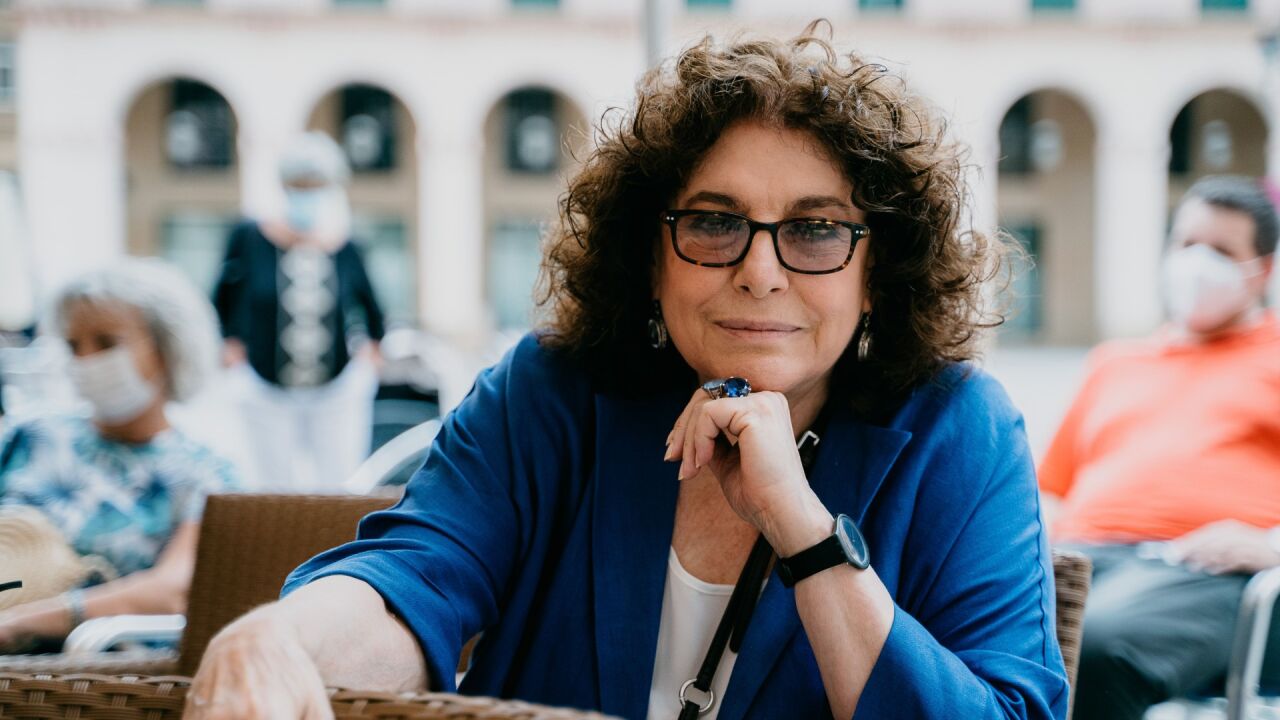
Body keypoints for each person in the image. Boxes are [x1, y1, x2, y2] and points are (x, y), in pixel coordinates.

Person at [187, 25, 1067, 720]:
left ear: (878, 274)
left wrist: (803, 528)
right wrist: (279, 642)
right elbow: (414, 578)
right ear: (651, 259)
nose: (760, 271)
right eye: (714, 222)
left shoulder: (958, 430)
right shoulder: (551, 392)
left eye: (816, 229)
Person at [1038, 175, 1280, 720]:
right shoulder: (1115, 363)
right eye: (1187, 243)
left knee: (1095, 647)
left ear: (1262, 270)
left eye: (1222, 251)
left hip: (1205, 573)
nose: (1197, 263)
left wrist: (1271, 544)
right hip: (1080, 560)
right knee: (950, 623)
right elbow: (1050, 489)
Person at [0, 258, 238, 652]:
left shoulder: (205, 474)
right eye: (73, 346)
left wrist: (25, 620)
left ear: (167, 348)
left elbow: (172, 589)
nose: (86, 360)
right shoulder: (31, 435)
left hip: (97, 665)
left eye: (106, 343)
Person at [212, 131, 385, 491]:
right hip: (265, 386)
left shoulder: (346, 244)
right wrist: (228, 342)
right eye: (300, 185)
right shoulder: (250, 237)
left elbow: (370, 304)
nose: (308, 194)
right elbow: (223, 295)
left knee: (339, 486)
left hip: (334, 388)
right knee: (272, 486)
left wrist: (373, 349)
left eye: (316, 185)